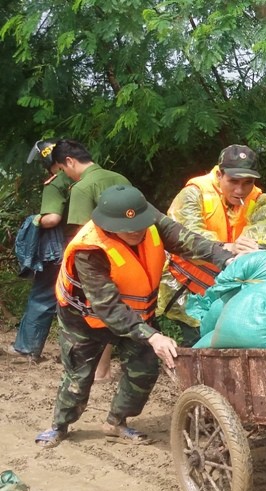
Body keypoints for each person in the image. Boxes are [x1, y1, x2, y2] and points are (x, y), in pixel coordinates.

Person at [34, 184, 235, 448]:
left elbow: (187, 240)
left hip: (138, 315)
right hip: (85, 319)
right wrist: (152, 336)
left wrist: (225, 258)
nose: (137, 231)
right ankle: (60, 425)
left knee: (144, 369)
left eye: (140, 225)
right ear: (108, 225)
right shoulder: (89, 249)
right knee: (79, 377)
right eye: (128, 229)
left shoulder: (146, 217)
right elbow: (108, 308)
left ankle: (117, 421)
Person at [157, 144, 266, 346]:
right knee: (198, 343)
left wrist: (254, 248)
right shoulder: (194, 193)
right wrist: (227, 247)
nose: (240, 190)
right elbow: (185, 236)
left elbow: (265, 232)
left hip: (230, 287)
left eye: (248, 183)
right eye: (233, 181)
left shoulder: (259, 200)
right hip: (189, 287)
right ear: (220, 174)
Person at [51, 139, 128, 382]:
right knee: (119, 308)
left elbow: (80, 237)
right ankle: (108, 367)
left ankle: (100, 369)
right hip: (129, 258)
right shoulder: (120, 179)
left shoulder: (83, 188)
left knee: (95, 312)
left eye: (63, 170)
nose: (66, 175)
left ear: (70, 162)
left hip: (98, 261)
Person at [7, 140, 74, 362]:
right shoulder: (87, 178)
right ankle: (75, 354)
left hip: (61, 248)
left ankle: (26, 349)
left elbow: (53, 219)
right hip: (90, 247)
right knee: (79, 300)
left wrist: (34, 220)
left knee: (43, 296)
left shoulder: (57, 182)